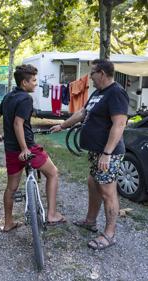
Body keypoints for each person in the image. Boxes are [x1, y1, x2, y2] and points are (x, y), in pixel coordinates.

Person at [50, 59, 129, 250]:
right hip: (96, 152)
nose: (89, 76)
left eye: (92, 72)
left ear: (101, 73)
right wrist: (62, 125)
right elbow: (82, 113)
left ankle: (110, 234)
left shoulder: (116, 93)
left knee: (108, 191)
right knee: (93, 183)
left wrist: (107, 153)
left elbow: (119, 124)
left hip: (108, 153)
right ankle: (90, 221)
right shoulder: (99, 93)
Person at [0, 64, 66, 232]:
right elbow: (18, 123)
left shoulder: (9, 96)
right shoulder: (26, 99)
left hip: (10, 149)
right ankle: (52, 214)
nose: (35, 83)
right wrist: (25, 149)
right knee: (53, 173)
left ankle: (8, 223)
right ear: (24, 83)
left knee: (11, 187)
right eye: (33, 80)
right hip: (27, 148)